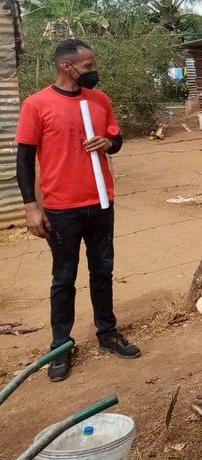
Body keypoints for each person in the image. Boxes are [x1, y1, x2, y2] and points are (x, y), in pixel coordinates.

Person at [15, 39, 140, 382]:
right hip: (61, 208)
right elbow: (24, 160)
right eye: (87, 66)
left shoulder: (99, 100)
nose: (93, 71)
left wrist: (108, 142)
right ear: (66, 67)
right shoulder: (37, 104)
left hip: (100, 202)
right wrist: (31, 208)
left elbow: (117, 139)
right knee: (64, 277)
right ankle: (61, 346)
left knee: (102, 270)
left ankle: (107, 333)